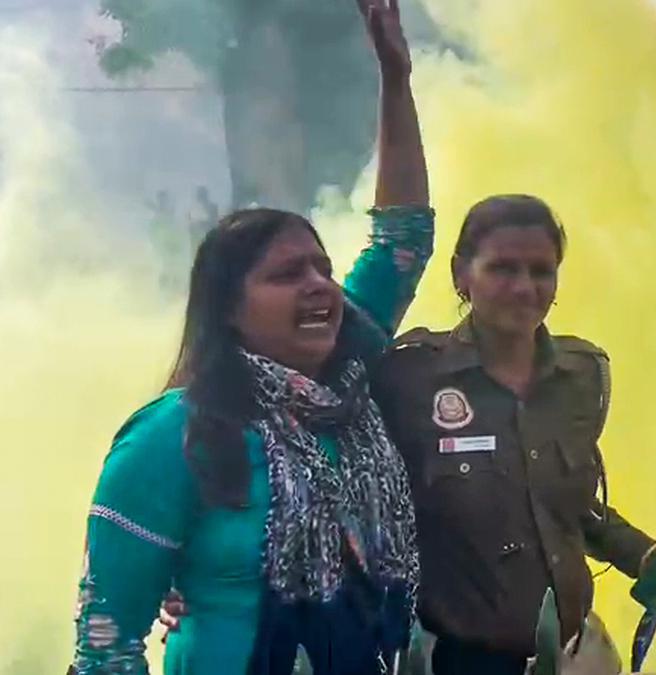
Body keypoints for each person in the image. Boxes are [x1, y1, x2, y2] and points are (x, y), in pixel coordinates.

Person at [70, 2, 432, 673]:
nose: (321, 285)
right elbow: (106, 647)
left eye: (323, 267)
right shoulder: (173, 435)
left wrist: (396, 80)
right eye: (287, 275)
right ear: (228, 308)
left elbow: (401, 240)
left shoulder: (346, 387)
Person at [371, 194, 656, 674]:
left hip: (572, 656)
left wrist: (651, 560)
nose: (524, 288)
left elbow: (570, 506)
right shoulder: (410, 376)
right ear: (462, 273)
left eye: (541, 271)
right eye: (502, 269)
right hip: (457, 660)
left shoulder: (583, 376)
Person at [186, 186, 221, 254]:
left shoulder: (212, 207)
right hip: (196, 238)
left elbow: (213, 222)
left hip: (208, 238)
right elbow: (189, 225)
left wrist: (200, 223)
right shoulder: (193, 208)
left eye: (202, 195)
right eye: (200, 195)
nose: (200, 197)